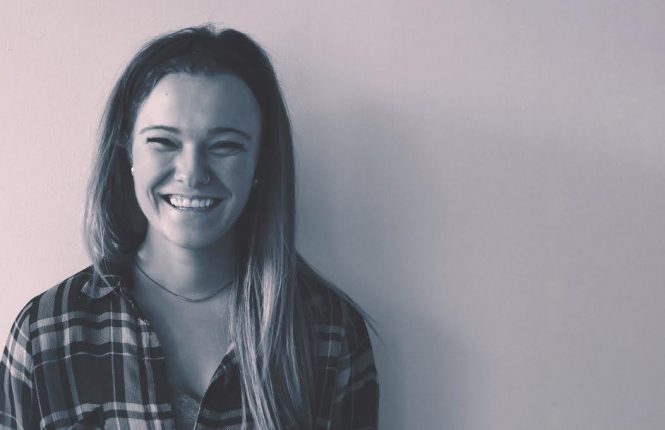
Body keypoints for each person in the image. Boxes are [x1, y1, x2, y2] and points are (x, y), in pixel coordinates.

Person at [0, 25, 379, 429]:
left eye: (225, 145)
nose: (193, 173)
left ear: (260, 162)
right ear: (127, 150)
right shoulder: (46, 333)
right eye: (163, 142)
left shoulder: (329, 334)